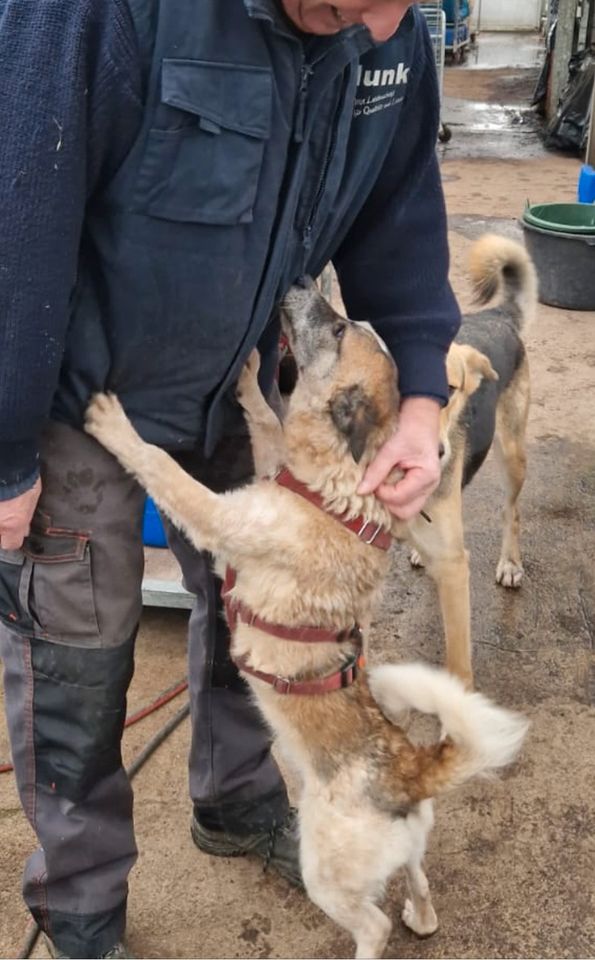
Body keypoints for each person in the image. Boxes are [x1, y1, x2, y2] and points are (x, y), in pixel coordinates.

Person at [0, 0, 461, 956]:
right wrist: (3, 449)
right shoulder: (91, 15)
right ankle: (82, 905)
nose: (381, 27)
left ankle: (238, 802)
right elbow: (14, 210)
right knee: (78, 657)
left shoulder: (385, 30)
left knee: (263, 619)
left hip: (244, 380)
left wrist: (419, 393)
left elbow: (398, 213)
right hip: (88, 394)